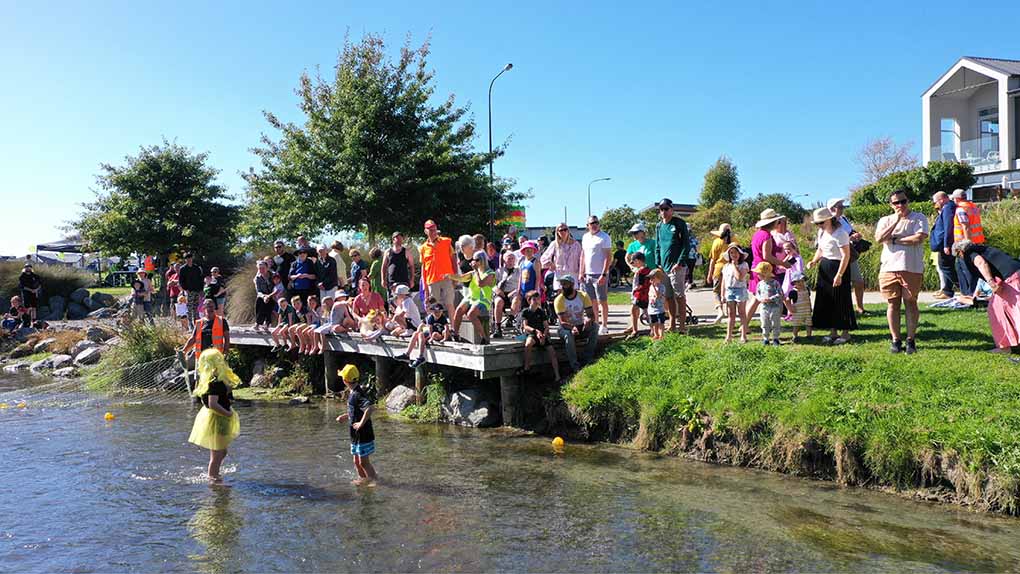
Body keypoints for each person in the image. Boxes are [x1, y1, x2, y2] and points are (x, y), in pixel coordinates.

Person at [874, 190, 929, 354]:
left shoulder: (919, 217)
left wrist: (894, 240)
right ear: (891, 205)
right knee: (892, 304)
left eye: (903, 201)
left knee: (911, 302)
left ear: (908, 201)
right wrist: (896, 220)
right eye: (896, 203)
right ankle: (896, 340)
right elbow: (879, 238)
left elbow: (918, 238)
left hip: (911, 267)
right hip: (889, 268)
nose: (900, 205)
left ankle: (911, 340)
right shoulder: (885, 220)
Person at [953, 239, 1020, 353]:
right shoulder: (983, 249)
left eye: (958, 256)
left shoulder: (970, 253)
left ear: (960, 252)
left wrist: (991, 283)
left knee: (1015, 310)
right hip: (1014, 273)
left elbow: (981, 263)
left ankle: (1005, 347)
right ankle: (1005, 346)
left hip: (1012, 278)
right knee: (995, 309)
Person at [187, 348, 241, 483]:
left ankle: (214, 474)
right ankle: (214, 480)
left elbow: (221, 392)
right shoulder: (214, 382)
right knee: (217, 455)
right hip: (216, 419)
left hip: (217, 418)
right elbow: (212, 403)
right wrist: (228, 413)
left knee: (222, 452)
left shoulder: (210, 380)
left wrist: (227, 388)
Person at [807, 207, 856, 345]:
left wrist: (839, 274)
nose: (819, 225)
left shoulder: (840, 233)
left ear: (829, 219)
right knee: (828, 299)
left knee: (841, 298)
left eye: (821, 222)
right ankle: (833, 331)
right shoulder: (821, 233)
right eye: (817, 223)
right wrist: (814, 261)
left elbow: (846, 255)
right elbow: (820, 249)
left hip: (839, 266)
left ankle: (845, 333)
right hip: (825, 266)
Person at [335, 364, 378, 486]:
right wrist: (345, 416)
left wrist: (360, 423)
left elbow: (369, 408)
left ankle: (374, 481)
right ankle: (364, 479)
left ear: (344, 380)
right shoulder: (353, 393)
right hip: (355, 436)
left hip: (363, 434)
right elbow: (355, 411)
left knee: (364, 463)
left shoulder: (358, 394)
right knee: (356, 461)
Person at [654, 198, 691, 333]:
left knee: (679, 296)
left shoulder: (679, 223)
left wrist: (680, 262)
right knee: (668, 297)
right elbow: (657, 246)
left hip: (677, 267)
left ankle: (682, 326)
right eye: (661, 209)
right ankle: (672, 325)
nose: (663, 212)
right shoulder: (658, 226)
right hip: (663, 267)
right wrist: (658, 263)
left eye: (666, 209)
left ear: (672, 209)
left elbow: (686, 245)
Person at [827, 198, 867, 315]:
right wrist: (849, 239)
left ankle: (860, 308)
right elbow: (831, 241)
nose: (842, 209)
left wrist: (855, 235)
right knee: (840, 285)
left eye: (843, 206)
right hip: (836, 257)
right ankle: (839, 310)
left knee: (858, 282)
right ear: (832, 209)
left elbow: (848, 232)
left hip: (850, 254)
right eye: (840, 207)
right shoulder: (828, 222)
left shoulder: (844, 219)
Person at [748, 209, 788, 323]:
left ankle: (744, 326)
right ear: (773, 223)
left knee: (756, 298)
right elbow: (767, 256)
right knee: (761, 299)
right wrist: (783, 263)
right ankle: (746, 326)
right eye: (778, 221)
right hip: (764, 270)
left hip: (756, 267)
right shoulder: (767, 236)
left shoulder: (758, 234)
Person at [553, 275, 599, 373]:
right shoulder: (559, 300)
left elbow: (591, 315)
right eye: (562, 284)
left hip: (580, 325)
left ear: (572, 285)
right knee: (568, 335)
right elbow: (563, 322)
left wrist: (589, 319)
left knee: (595, 326)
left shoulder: (583, 296)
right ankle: (574, 365)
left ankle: (588, 358)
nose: (563, 286)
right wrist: (572, 327)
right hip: (565, 327)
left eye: (565, 284)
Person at [448, 251, 495, 344]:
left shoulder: (490, 273)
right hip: (471, 298)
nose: (474, 262)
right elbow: (461, 278)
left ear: (483, 260)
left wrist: (476, 271)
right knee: (458, 310)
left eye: (477, 260)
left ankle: (483, 337)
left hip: (483, 299)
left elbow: (480, 284)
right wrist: (448, 276)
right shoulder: (473, 272)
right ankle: (456, 334)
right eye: (474, 260)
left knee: (471, 314)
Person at [579, 215, 613, 334]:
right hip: (588, 274)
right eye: (591, 223)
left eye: (596, 222)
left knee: (602, 300)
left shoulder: (604, 237)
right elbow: (583, 256)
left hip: (600, 273)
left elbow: (608, 256)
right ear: (587, 225)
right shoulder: (585, 237)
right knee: (591, 301)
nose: (594, 225)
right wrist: (581, 272)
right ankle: (596, 324)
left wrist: (603, 274)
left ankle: (604, 325)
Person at [951, 188, 986, 297]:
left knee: (967, 269)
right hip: (978, 241)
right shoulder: (973, 207)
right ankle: (968, 292)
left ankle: (971, 293)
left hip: (965, 244)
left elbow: (965, 226)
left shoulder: (961, 209)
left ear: (957, 199)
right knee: (964, 267)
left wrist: (966, 244)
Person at [420, 220, 458, 317]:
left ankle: (454, 329)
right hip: (432, 280)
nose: (433, 232)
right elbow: (424, 268)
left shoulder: (446, 241)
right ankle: (435, 328)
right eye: (430, 230)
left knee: (450, 304)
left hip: (447, 277)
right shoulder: (423, 248)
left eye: (434, 230)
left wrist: (455, 277)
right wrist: (425, 287)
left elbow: (453, 259)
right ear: (426, 231)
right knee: (433, 306)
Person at [521, 290, 561, 381]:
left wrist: (544, 335)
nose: (537, 301)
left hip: (542, 334)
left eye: (538, 299)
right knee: (528, 344)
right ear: (529, 300)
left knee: (552, 353)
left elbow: (546, 326)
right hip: (533, 334)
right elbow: (525, 326)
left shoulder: (541, 312)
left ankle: (557, 375)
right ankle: (527, 367)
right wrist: (535, 331)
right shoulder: (525, 312)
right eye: (534, 299)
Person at [400, 302, 450, 368]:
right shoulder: (430, 317)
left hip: (438, 335)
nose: (437, 314)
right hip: (431, 334)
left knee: (426, 334)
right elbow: (428, 328)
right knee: (416, 333)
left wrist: (444, 339)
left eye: (439, 312)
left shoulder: (443, 318)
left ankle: (420, 356)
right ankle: (407, 354)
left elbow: (446, 329)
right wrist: (419, 333)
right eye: (435, 312)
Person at [930, 191, 959, 300]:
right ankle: (947, 291)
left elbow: (948, 227)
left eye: (935, 202)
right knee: (947, 266)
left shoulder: (948, 208)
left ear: (942, 199)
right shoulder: (947, 208)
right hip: (943, 243)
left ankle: (963, 286)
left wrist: (947, 244)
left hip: (945, 244)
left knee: (945, 266)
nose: (934, 204)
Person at [721, 244, 750, 344]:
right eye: (731, 253)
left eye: (736, 252)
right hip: (729, 290)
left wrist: (734, 265)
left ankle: (743, 335)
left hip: (740, 290)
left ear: (740, 253)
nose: (734, 254)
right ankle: (728, 336)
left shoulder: (744, 265)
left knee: (741, 313)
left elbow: (740, 277)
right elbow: (724, 281)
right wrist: (722, 294)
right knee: (731, 313)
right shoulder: (726, 266)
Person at [541, 222, 582, 291]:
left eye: (565, 229)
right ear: (557, 232)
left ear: (568, 231)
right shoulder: (554, 244)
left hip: (573, 274)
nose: (563, 232)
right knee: (561, 298)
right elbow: (544, 258)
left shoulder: (576, 244)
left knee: (573, 297)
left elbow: (581, 260)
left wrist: (581, 273)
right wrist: (550, 263)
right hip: (560, 275)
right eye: (560, 230)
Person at [706, 223, 732, 323]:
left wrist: (709, 273)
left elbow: (713, 259)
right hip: (730, 268)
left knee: (716, 291)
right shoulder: (734, 241)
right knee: (729, 291)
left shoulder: (717, 242)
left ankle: (720, 310)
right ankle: (730, 312)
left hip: (719, 268)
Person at [492, 251, 521, 339]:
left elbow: (521, 284)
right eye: (509, 258)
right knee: (498, 302)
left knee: (517, 299)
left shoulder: (518, 271)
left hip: (513, 292)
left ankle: (511, 319)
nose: (511, 260)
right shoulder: (499, 271)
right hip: (501, 292)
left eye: (512, 258)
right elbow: (492, 284)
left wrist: (515, 291)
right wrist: (497, 290)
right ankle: (498, 327)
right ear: (504, 260)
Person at [754, 262, 783, 345]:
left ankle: (775, 338)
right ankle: (766, 338)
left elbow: (780, 294)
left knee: (775, 322)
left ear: (765, 274)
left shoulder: (775, 283)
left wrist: (771, 299)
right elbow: (757, 294)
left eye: (759, 273)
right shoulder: (760, 284)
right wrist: (761, 299)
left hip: (774, 307)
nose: (758, 275)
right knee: (764, 322)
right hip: (764, 307)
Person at [512, 241, 543, 320]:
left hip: (532, 288)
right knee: (524, 309)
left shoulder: (535, 262)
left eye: (530, 250)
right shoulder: (522, 263)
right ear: (524, 251)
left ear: (533, 251)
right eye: (527, 250)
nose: (529, 252)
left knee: (534, 308)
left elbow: (538, 277)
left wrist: (536, 289)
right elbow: (520, 277)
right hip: (523, 289)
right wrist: (519, 289)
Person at [626, 251, 651, 340]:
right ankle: (653, 329)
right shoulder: (648, 269)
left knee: (634, 310)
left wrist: (635, 291)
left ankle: (635, 330)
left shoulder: (640, 272)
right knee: (646, 312)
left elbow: (640, 285)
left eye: (634, 262)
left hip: (639, 294)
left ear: (638, 261)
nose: (634, 264)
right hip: (645, 294)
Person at [178, 253, 205, 327]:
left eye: (190, 258)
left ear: (192, 258)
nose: (189, 260)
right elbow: (181, 280)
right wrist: (185, 289)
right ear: (185, 259)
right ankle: (190, 324)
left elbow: (200, 279)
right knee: (189, 307)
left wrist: (201, 289)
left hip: (197, 290)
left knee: (196, 307)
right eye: (187, 258)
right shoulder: (183, 269)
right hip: (189, 290)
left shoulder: (196, 268)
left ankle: (196, 323)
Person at [788, 271, 813, 342]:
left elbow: (808, 299)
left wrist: (810, 307)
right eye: (798, 282)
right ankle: (795, 336)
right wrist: (790, 307)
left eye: (802, 281)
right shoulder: (793, 292)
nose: (801, 283)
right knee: (796, 325)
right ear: (794, 283)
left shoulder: (807, 289)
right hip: (797, 311)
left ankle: (809, 335)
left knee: (809, 324)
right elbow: (787, 300)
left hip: (807, 310)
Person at [647, 269, 667, 341]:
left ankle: (661, 335)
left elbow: (658, 295)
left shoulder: (661, 287)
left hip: (659, 309)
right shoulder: (651, 287)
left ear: (659, 278)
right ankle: (656, 334)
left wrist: (655, 288)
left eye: (653, 278)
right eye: (650, 278)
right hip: (652, 308)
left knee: (660, 323)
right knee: (654, 322)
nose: (651, 280)